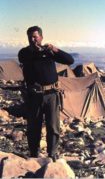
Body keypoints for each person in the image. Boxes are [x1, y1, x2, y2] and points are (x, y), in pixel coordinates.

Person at [18, 26, 74, 161]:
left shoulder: (49, 52)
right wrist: (38, 51)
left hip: (52, 94)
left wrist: (54, 49)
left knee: (53, 126)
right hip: (34, 95)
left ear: (41, 37)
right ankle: (34, 154)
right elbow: (24, 58)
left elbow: (69, 60)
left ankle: (52, 154)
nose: (32, 40)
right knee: (33, 127)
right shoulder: (24, 53)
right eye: (30, 37)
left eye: (35, 37)